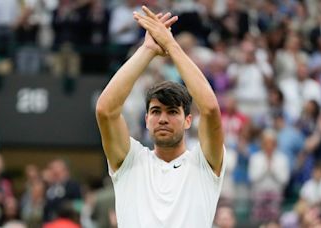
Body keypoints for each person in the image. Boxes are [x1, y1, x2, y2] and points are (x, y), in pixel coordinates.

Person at [95, 6, 225, 228]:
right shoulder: (130, 161)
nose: (163, 118)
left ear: (188, 120)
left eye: (173, 111)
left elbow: (211, 109)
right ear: (146, 120)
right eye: (156, 112)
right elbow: (105, 110)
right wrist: (147, 49)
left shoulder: (204, 163)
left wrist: (172, 45)